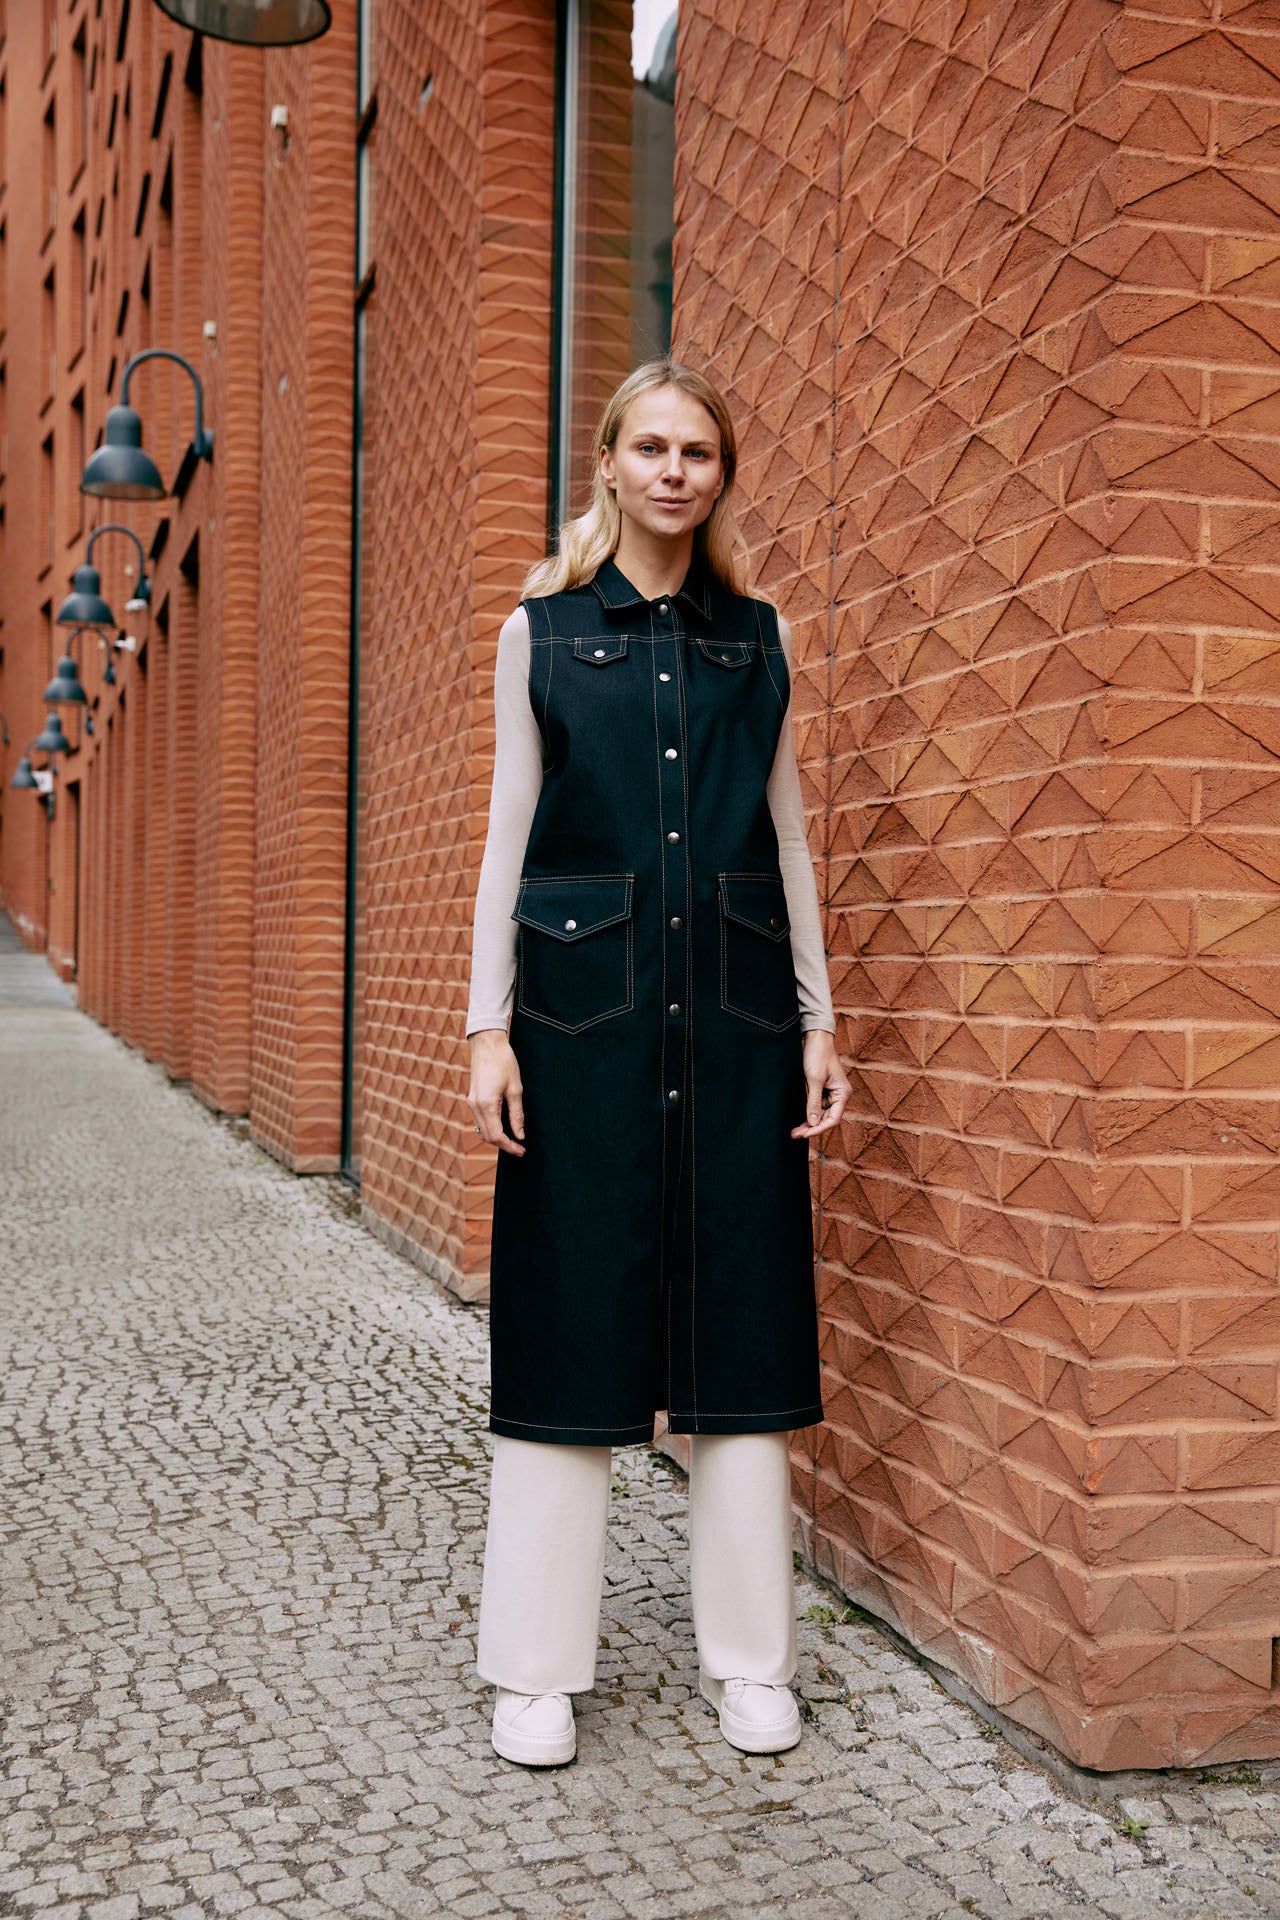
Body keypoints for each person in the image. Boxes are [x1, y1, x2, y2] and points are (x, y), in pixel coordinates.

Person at [466, 357, 851, 1767]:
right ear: (611, 465)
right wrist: (484, 1028)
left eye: (699, 449)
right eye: (651, 445)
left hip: (743, 1033)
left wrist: (819, 1020)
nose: (675, 469)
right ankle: (533, 1670)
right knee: (568, 1328)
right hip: (577, 1033)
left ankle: (752, 1665)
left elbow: (789, 838)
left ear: (719, 475)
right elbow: (509, 838)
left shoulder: (763, 641)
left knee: (743, 1335)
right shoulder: (542, 635)